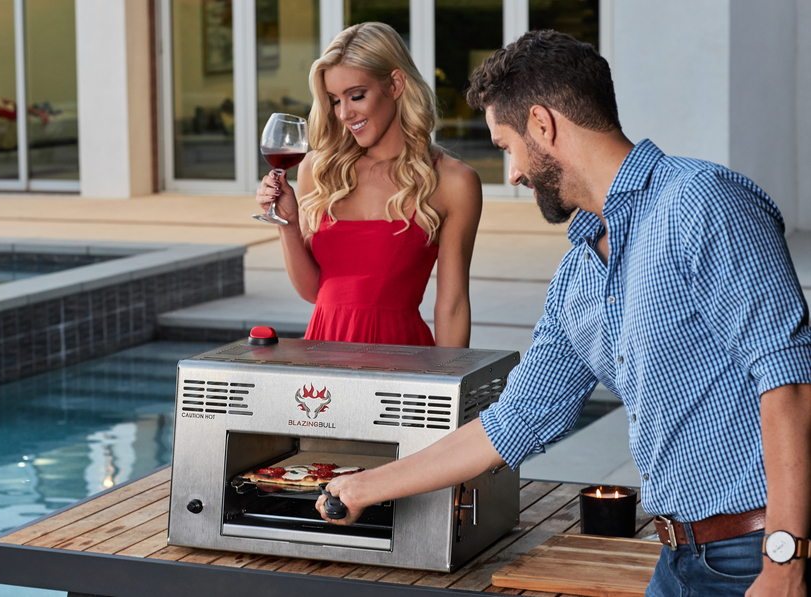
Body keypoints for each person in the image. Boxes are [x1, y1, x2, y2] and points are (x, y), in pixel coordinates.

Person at [316, 30, 811, 596]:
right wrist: (364, 487)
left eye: (507, 147)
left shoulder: (701, 202)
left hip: (760, 551)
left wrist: (785, 560)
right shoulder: (580, 273)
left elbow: (789, 380)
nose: (513, 175)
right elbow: (513, 422)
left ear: (543, 125)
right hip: (679, 557)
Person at [254, 22, 482, 347]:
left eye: (356, 96)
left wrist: (451, 388)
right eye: (334, 100)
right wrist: (288, 223)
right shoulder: (317, 170)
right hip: (323, 367)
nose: (345, 113)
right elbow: (315, 292)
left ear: (395, 84)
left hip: (403, 364)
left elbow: (454, 305)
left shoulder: (453, 182)